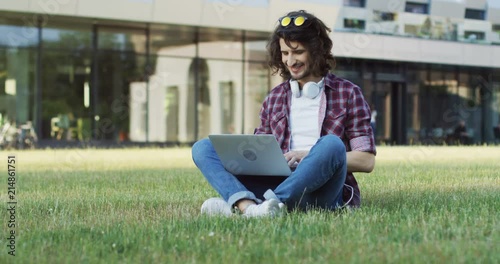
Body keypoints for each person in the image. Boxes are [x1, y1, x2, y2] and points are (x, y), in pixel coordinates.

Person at [192, 10, 376, 217]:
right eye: (285, 53)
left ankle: (260, 205)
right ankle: (249, 207)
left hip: (322, 192)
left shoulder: (349, 93)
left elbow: (366, 160)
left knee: (332, 144)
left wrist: (307, 156)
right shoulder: (274, 98)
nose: (290, 61)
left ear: (316, 51)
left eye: (298, 52)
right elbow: (258, 152)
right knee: (203, 148)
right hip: (277, 181)